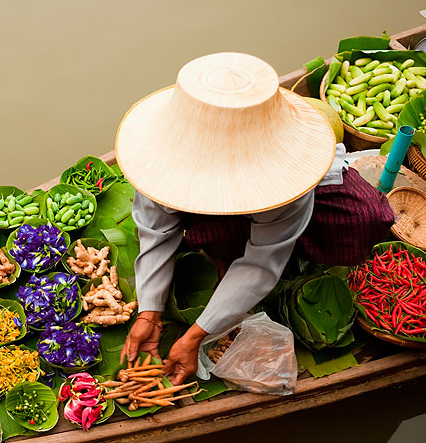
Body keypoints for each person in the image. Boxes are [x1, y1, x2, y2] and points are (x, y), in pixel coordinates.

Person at [115, 53, 393, 384]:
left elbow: (261, 263)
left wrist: (194, 336)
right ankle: (226, 258)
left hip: (286, 186)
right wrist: (151, 312)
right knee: (215, 233)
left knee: (366, 217)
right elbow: (156, 232)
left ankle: (291, 247)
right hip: (223, 207)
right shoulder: (162, 160)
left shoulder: (285, 172)